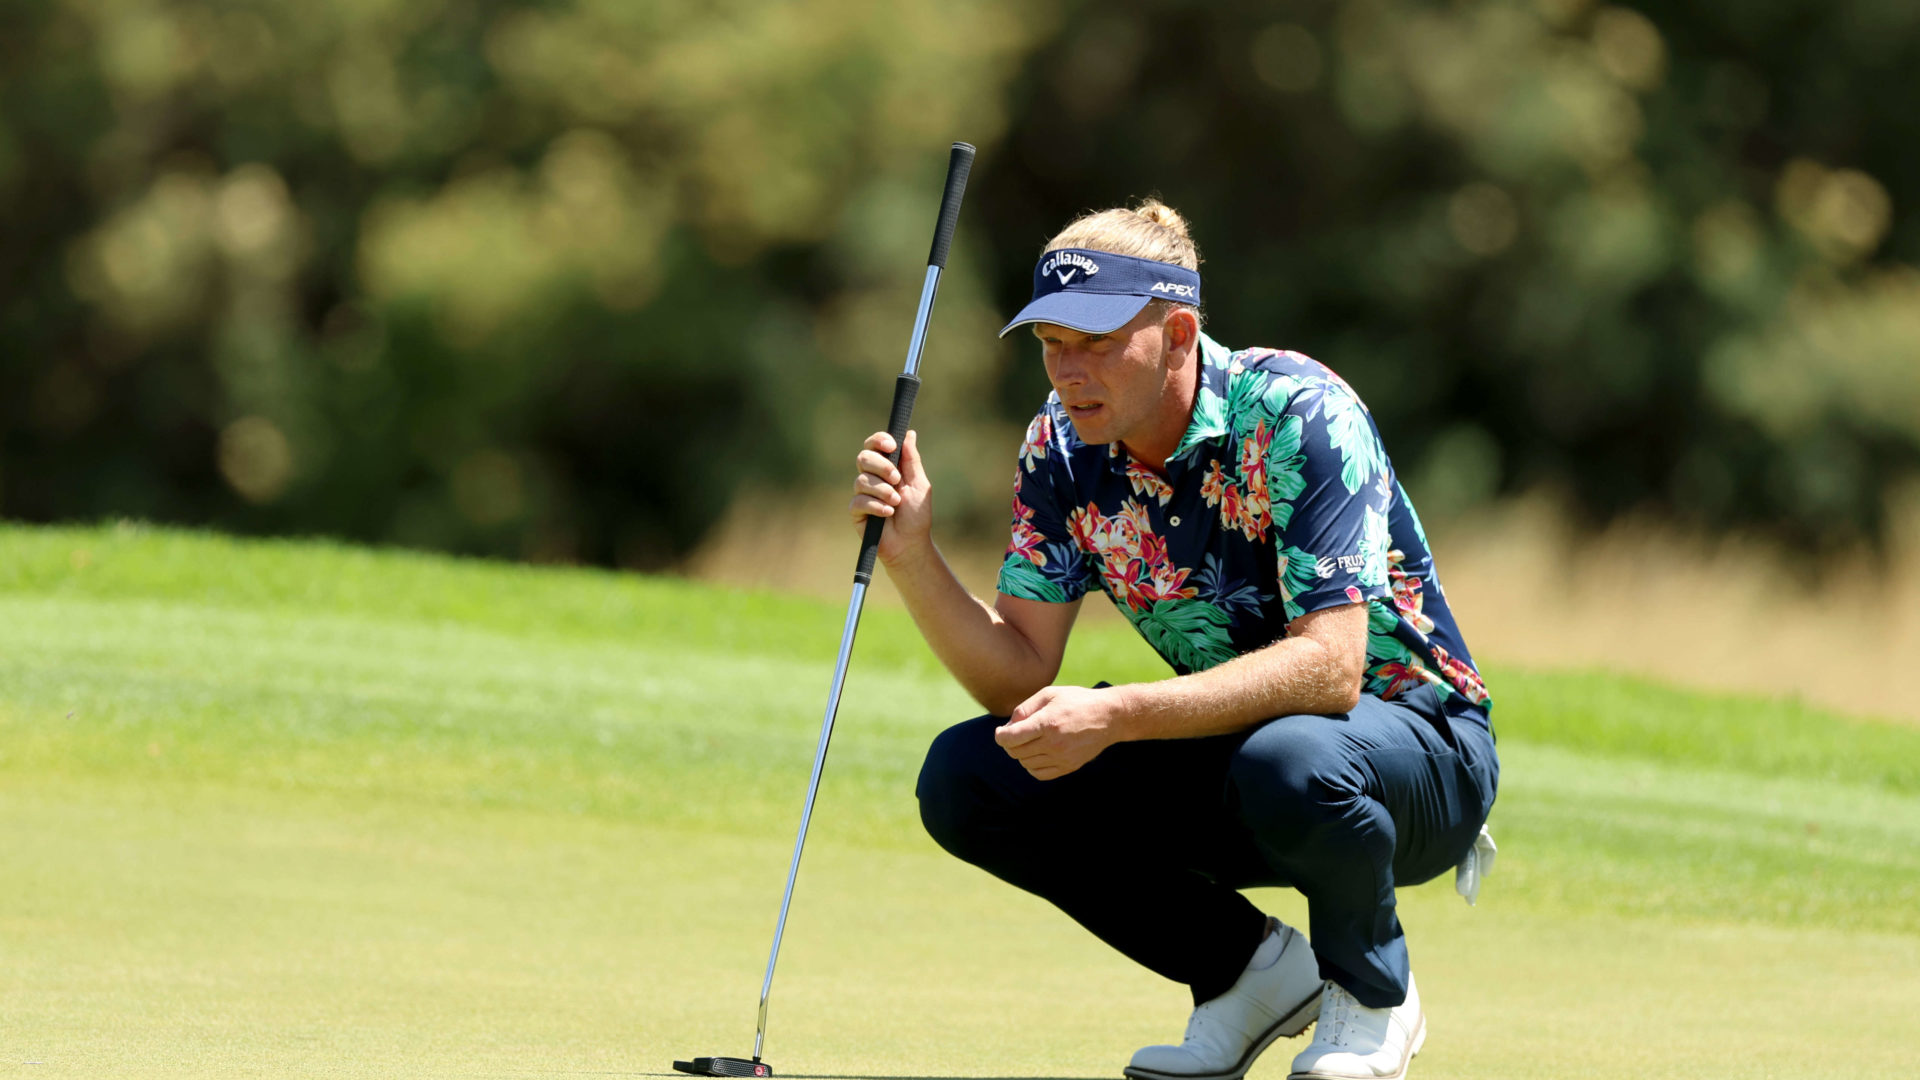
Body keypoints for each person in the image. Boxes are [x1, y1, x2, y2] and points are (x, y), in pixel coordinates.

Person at [848, 200, 1498, 1080]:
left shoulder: (1299, 409)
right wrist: (914, 558)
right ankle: (1248, 975)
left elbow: (1334, 669)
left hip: (1419, 755)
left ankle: (1374, 994)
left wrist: (1118, 716)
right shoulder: (1062, 449)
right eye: (1051, 343)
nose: (1069, 372)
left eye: (1097, 342)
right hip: (1243, 752)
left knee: (1295, 761)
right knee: (973, 777)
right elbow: (1019, 675)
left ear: (1179, 331)